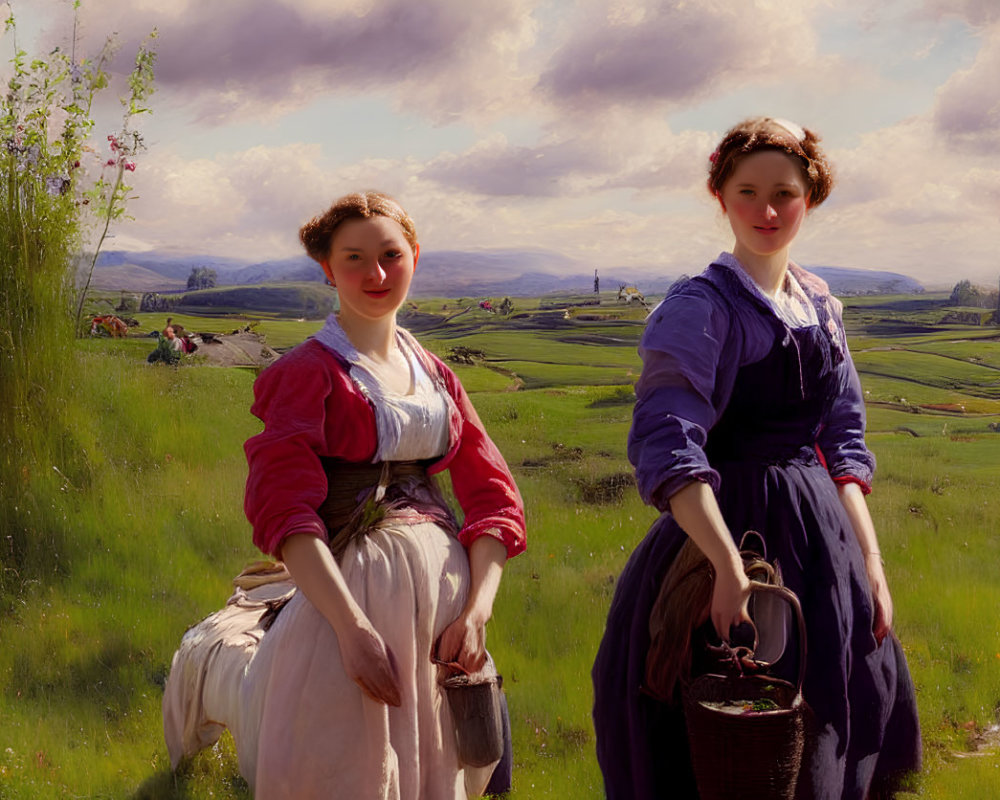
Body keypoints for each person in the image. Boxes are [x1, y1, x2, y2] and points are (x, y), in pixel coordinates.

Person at [591, 118, 921, 799]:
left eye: (785, 193)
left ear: (811, 197)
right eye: (747, 192)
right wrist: (725, 566)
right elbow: (669, 444)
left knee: (828, 721)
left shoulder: (822, 305)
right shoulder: (699, 308)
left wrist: (873, 567)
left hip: (823, 550)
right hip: (725, 537)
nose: (766, 211)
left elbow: (844, 443)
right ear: (720, 197)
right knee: (724, 745)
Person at [162, 191, 526, 799]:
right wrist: (351, 631)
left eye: (390, 255)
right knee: (348, 771)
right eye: (354, 259)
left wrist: (477, 613)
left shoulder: (436, 374)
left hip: (445, 612)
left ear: (415, 256)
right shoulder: (309, 373)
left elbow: (494, 498)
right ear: (328, 269)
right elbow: (284, 511)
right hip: (353, 606)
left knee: (443, 762)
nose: (376, 274)